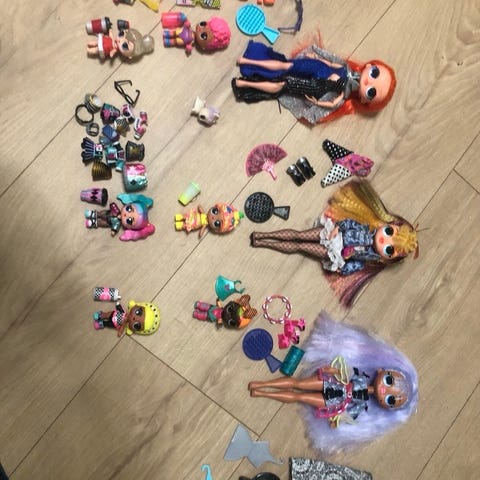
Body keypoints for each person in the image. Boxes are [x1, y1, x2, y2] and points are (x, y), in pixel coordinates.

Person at [250, 181, 418, 306]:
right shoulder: (366, 228)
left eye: (389, 249)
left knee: (300, 246)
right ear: (387, 224)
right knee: (299, 235)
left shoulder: (366, 259)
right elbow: (350, 223)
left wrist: (342, 268)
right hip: (333, 234)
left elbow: (354, 265)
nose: (384, 240)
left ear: (386, 259)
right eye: (389, 232)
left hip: (334, 254)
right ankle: (263, 235)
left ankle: (263, 243)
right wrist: (338, 227)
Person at [231, 40, 396, 124]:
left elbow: (333, 103)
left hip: (316, 86)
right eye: (374, 73)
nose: (368, 81)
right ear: (369, 65)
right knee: (285, 65)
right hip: (317, 67)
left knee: (283, 85)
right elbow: (331, 63)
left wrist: (317, 102)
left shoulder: (344, 94)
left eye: (371, 92)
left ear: (364, 100)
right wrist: (316, 57)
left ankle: (245, 84)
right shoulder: (345, 67)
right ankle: (248, 61)